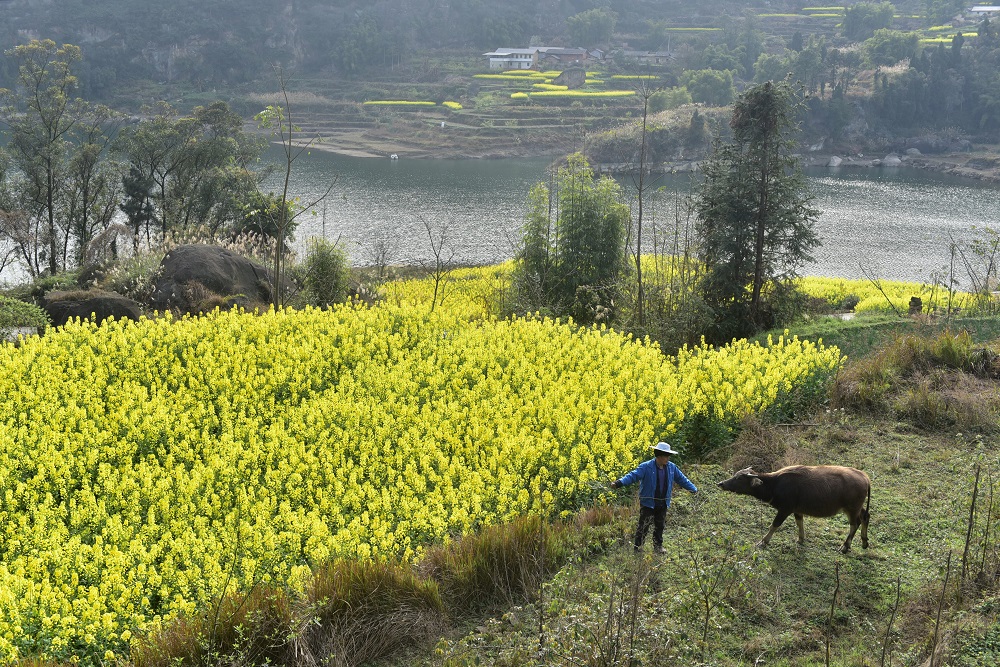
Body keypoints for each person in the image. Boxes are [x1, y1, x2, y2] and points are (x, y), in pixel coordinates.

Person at [611, 441, 698, 554]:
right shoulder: (646, 467)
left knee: (660, 525)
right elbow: (633, 476)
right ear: (659, 456)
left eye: (668, 456)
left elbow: (682, 479)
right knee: (644, 526)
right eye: (666, 456)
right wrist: (619, 483)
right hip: (648, 502)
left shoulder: (671, 467)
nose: (668, 458)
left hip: (663, 502)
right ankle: (638, 547)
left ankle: (658, 546)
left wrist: (693, 489)